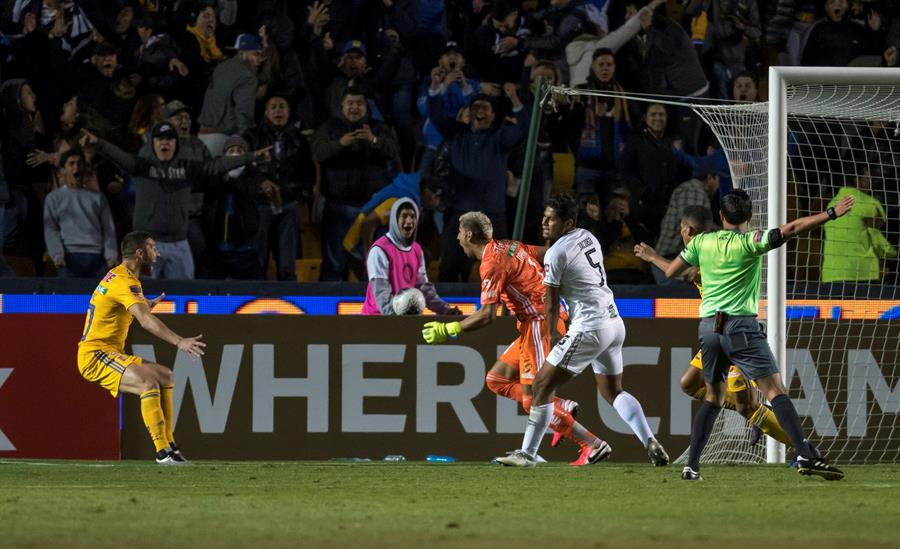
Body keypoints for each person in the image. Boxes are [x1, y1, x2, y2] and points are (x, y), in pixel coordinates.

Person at [663, 189, 851, 480]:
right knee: (775, 391)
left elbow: (673, 271)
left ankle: (692, 466)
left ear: (721, 216)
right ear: (749, 218)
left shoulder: (702, 241)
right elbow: (791, 229)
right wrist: (830, 213)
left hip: (709, 328)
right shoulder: (751, 242)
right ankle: (803, 453)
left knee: (712, 398)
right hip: (740, 327)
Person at [422, 211, 608, 466]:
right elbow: (547, 253)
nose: (456, 238)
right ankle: (559, 407)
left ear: (468, 234)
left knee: (534, 399)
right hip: (531, 324)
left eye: (458, 233)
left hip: (541, 322)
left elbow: (488, 315)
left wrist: (449, 329)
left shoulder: (491, 263)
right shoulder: (509, 246)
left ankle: (591, 444)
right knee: (496, 379)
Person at [495, 194, 668, 467]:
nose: (544, 222)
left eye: (551, 219)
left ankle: (526, 453)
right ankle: (649, 440)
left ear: (567, 223)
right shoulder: (588, 236)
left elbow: (550, 304)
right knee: (613, 392)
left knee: (541, 384)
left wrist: (553, 337)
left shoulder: (556, 253)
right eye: (544, 216)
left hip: (589, 327)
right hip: (614, 322)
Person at [634, 206, 792, 450]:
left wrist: (652, 257)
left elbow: (684, 273)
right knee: (689, 383)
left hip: (737, 329)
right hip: (719, 330)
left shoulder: (710, 251)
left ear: (689, 230)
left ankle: (802, 447)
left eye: (681, 231)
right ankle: (765, 418)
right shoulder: (710, 246)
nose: (681, 236)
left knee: (745, 404)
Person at [77, 231, 206, 465]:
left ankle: (171, 447)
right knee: (147, 382)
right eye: (152, 248)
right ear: (139, 253)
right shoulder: (124, 281)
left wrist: (145, 303)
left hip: (110, 352)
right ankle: (162, 453)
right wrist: (180, 342)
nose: (157, 254)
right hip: (95, 355)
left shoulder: (121, 278)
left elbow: (119, 305)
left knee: (165, 375)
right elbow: (145, 321)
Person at [80, 122, 270, 279]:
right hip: (145, 245)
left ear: (175, 144)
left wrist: (250, 156)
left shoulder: (186, 168)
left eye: (169, 139)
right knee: (142, 301)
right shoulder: (141, 167)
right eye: (160, 139)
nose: (165, 142)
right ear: (153, 143)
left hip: (179, 244)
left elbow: (217, 165)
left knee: (183, 299)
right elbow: (119, 156)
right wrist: (99, 144)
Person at [362, 198, 457, 316]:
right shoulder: (379, 250)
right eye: (404, 216)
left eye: (413, 216)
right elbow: (382, 294)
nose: (409, 221)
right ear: (394, 219)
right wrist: (399, 320)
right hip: (379, 320)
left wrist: (445, 310)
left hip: (404, 319)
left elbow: (423, 288)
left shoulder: (417, 250)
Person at [43, 149, 118, 278]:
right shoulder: (54, 198)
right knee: (68, 297)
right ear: (63, 170)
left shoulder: (98, 198)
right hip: (69, 256)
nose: (76, 167)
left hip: (97, 256)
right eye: (71, 164)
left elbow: (108, 228)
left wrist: (111, 255)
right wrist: (57, 255)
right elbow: (51, 229)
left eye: (79, 163)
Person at [821, 165, 896, 283]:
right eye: (867, 178)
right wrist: (893, 254)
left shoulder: (832, 204)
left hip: (831, 274)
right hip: (862, 274)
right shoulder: (871, 203)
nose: (870, 182)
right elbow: (881, 239)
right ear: (857, 180)